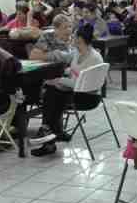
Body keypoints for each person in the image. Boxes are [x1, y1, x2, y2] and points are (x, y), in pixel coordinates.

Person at [32, 24, 105, 157]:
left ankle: (48, 135)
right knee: (53, 91)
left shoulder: (94, 58)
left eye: (74, 36)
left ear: (80, 39)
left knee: (52, 94)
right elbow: (74, 72)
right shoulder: (79, 52)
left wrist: (58, 81)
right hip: (78, 91)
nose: (71, 37)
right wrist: (61, 77)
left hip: (88, 97)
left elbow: (79, 83)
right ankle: (54, 132)